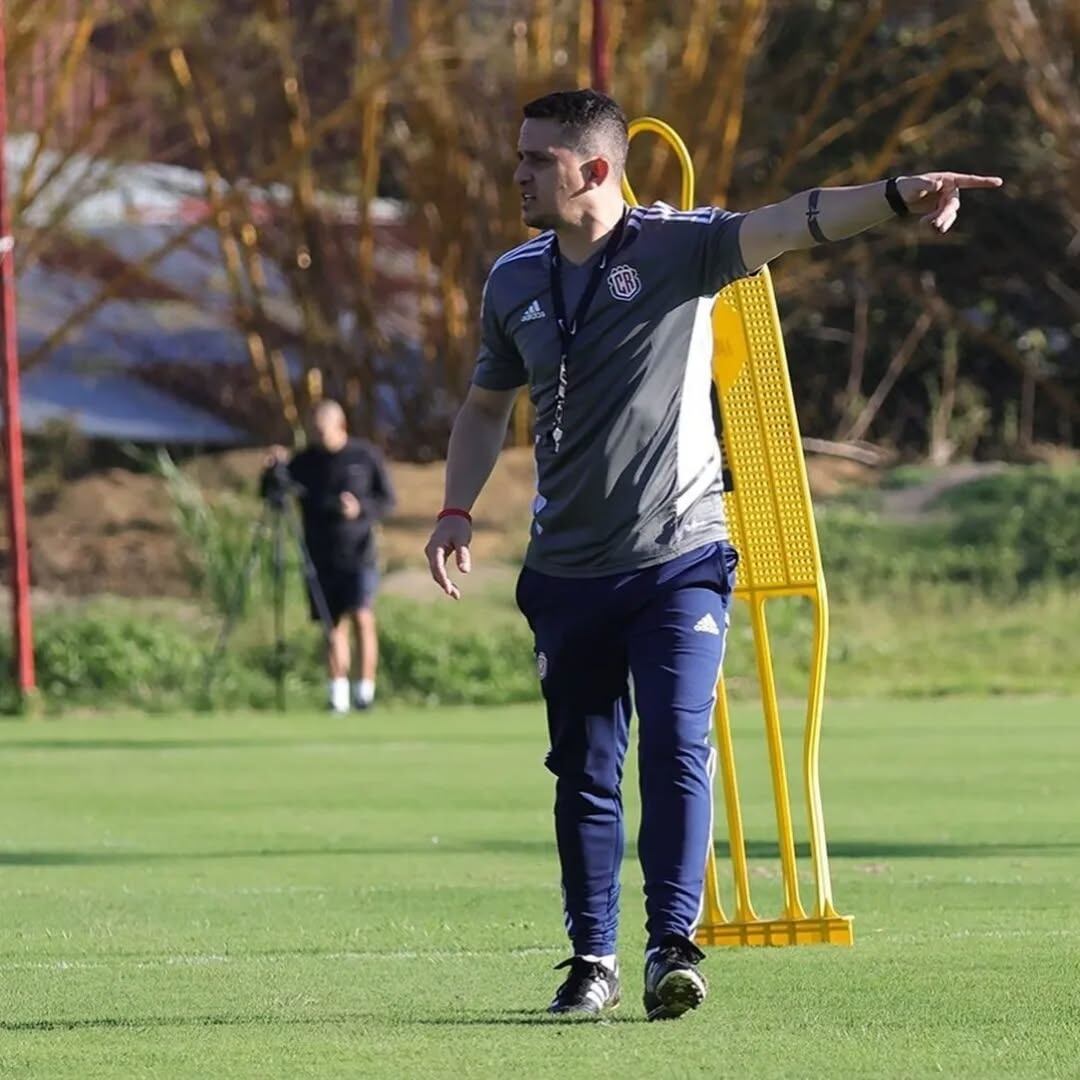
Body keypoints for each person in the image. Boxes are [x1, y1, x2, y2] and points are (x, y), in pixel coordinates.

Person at [423, 89, 1002, 1020]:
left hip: (680, 556)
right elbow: (488, 407)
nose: (518, 173)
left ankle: (670, 946)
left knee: (680, 742)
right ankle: (592, 958)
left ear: (598, 170)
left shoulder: (676, 246)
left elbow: (794, 221)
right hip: (565, 572)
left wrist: (899, 192)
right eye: (520, 156)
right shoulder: (513, 279)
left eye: (538, 159)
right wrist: (457, 506)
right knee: (583, 771)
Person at [269, 399, 395, 713]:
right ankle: (337, 695)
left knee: (362, 616)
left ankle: (364, 691)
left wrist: (360, 509)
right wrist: (273, 471)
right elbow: (274, 496)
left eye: (323, 430)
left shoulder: (364, 457)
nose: (318, 436)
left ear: (340, 426)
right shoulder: (306, 461)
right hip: (319, 555)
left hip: (359, 551)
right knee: (330, 624)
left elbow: (388, 501)